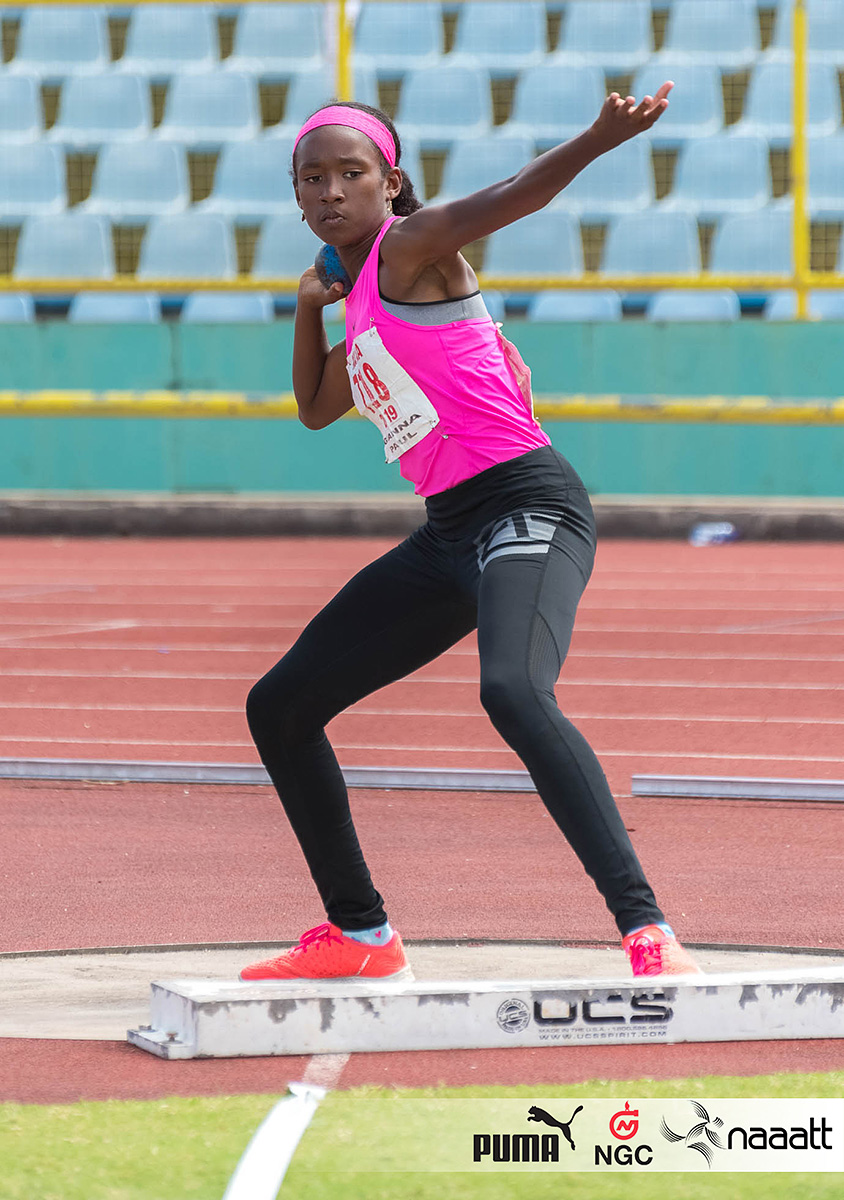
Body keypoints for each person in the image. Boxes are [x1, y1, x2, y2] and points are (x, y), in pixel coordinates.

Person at [241, 83, 702, 983]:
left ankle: (647, 929)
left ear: (389, 182)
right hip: (449, 534)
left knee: (514, 692)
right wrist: (308, 307)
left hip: (529, 507)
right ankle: (362, 935)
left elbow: (517, 196)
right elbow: (316, 407)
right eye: (311, 177)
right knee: (280, 708)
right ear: (295, 194)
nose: (330, 191)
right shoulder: (361, 297)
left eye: (350, 173)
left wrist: (599, 138)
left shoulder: (411, 249)